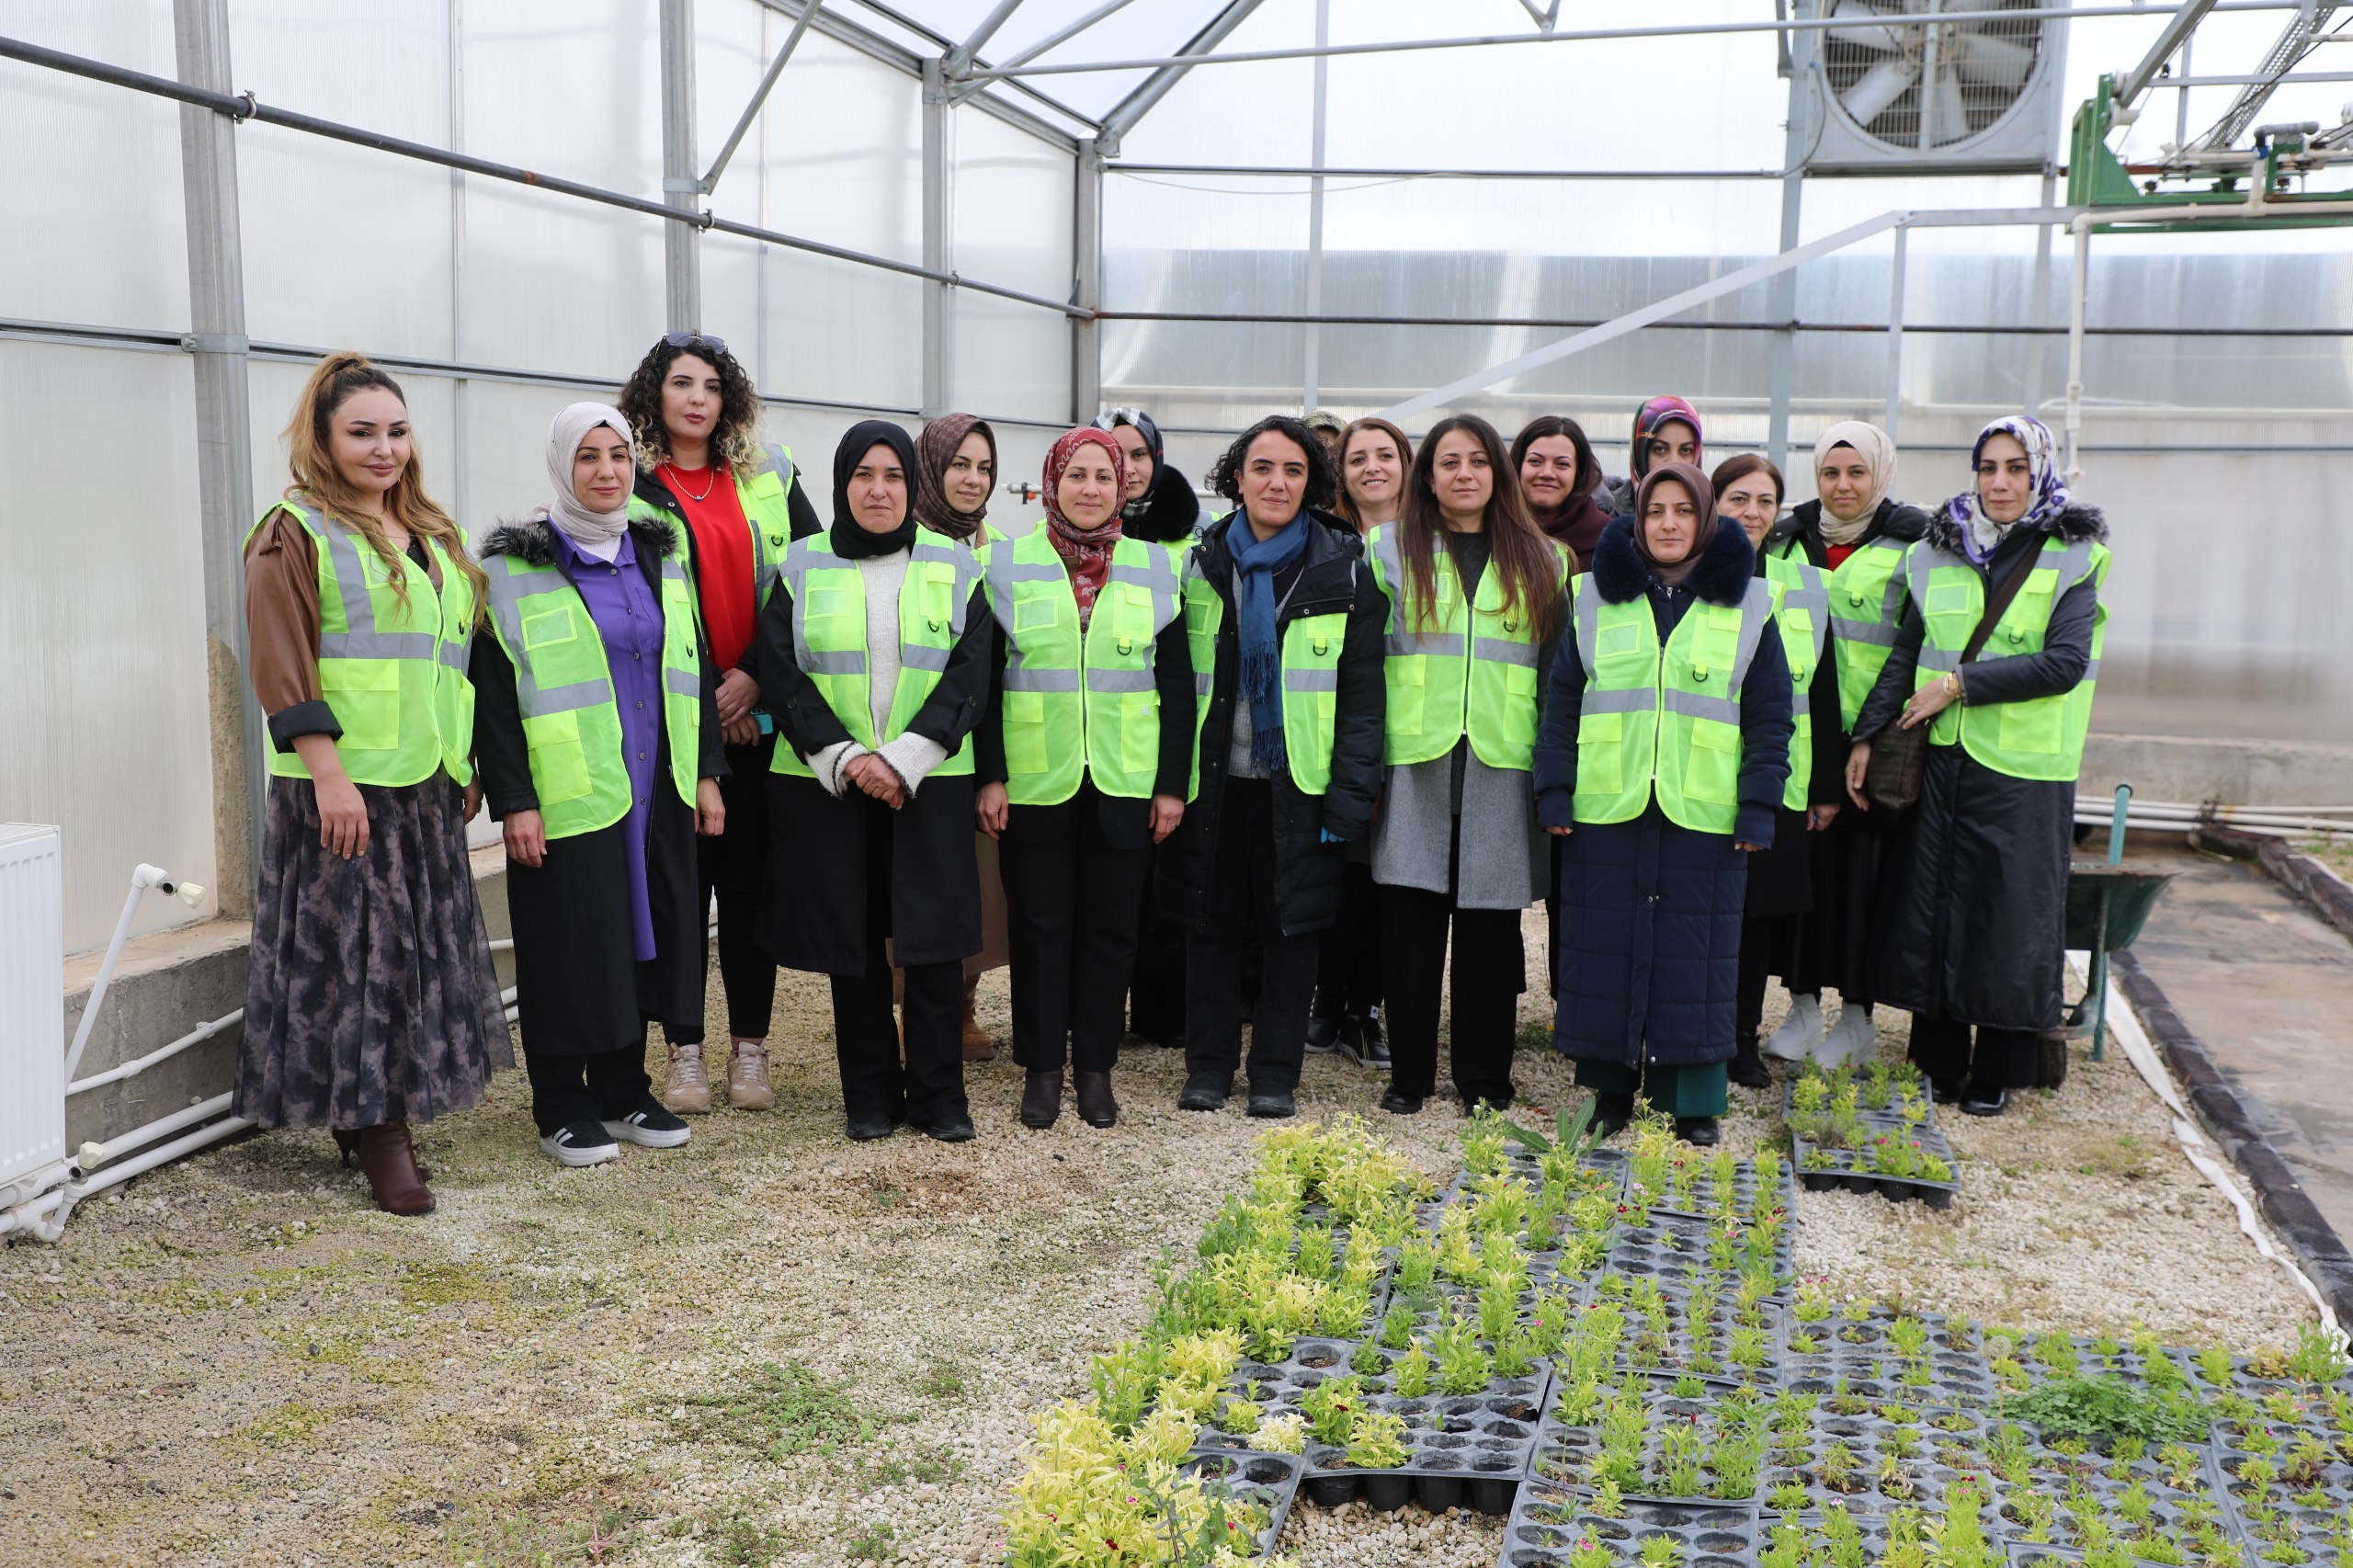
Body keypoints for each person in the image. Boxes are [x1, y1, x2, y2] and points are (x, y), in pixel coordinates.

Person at [237, 352, 511, 1215]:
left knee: (409, 957)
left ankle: (371, 1115)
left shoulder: (430, 532)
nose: (384, 449)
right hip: (345, 789)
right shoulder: (293, 531)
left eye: (396, 431)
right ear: (321, 438)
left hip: (424, 783)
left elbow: (447, 659)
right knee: (362, 962)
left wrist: (461, 762)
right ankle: (380, 1130)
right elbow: (282, 664)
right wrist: (329, 775)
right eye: (362, 433)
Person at [475, 404, 724, 1166]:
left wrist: (708, 775)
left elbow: (694, 663)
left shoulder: (658, 554)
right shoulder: (513, 568)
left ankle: (622, 1090)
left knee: (641, 946)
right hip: (570, 793)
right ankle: (560, 1103)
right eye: (589, 457)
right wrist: (515, 800)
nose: (609, 471)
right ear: (561, 467)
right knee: (568, 947)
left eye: (619, 455)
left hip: (658, 786)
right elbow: (494, 695)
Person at [1847, 416, 2109, 1117]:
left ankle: (1999, 1065)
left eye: (2016, 468)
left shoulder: (2072, 554)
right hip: (1942, 757)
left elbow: (2065, 662)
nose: (2000, 482)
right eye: (1988, 467)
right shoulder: (1935, 552)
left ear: (2040, 472)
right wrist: (1869, 736)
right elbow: (1907, 654)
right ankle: (1934, 1058)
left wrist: (1960, 686)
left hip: (2024, 767)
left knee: (2006, 912)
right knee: (1931, 903)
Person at [1535, 463, 1792, 1147]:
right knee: (1602, 951)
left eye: (1684, 511)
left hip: (1702, 812)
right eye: (1656, 512)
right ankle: (1607, 1093)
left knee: (1698, 956)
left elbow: (1770, 716)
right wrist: (1555, 788)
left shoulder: (1750, 606)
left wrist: (1759, 805)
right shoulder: (1592, 598)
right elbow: (1561, 699)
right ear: (1638, 519)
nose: (1670, 524)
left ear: (1706, 520)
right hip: (1607, 806)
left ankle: (1694, 1102)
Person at [755, 421, 992, 1142]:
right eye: (864, 476)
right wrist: (848, 758)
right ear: (842, 483)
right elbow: (780, 671)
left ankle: (939, 1097)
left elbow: (973, 672)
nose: (879, 490)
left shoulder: (957, 564)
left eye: (893, 476)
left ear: (912, 485)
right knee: (851, 946)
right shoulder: (799, 565)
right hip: (832, 786)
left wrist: (906, 758)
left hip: (931, 782)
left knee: (933, 944)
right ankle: (868, 1095)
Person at [1158, 415, 1385, 1118]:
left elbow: (1362, 699)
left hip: (1301, 786)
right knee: (1211, 927)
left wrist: (1350, 798)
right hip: (1213, 783)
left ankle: (1275, 1076)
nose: (1276, 482)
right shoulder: (1199, 563)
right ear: (1236, 478)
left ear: (1312, 483)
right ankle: (1208, 1068)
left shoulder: (1346, 568)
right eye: (1261, 468)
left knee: (1293, 933)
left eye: (1292, 470)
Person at [620, 332, 821, 1115]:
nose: (697, 398)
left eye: (711, 385)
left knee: (748, 894)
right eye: (680, 384)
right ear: (654, 396)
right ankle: (684, 1053)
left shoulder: (769, 474)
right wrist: (711, 701)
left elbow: (809, 576)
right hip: (677, 722)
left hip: (762, 712)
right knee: (680, 892)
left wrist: (754, 680)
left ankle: (749, 1051)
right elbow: (636, 608)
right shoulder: (629, 482)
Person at [975, 428, 1192, 1130]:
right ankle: (1042, 1071)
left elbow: (1178, 684)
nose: (1092, 488)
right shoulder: (1004, 566)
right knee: (1040, 928)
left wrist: (1170, 786)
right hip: (1037, 778)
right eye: (1078, 476)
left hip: (1126, 779)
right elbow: (985, 683)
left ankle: (1094, 1071)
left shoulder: (1158, 568)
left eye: (1106, 475)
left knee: (1111, 932)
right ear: (1051, 484)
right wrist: (992, 776)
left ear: (1125, 484)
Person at [1366, 415, 1571, 1116]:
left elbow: (1554, 677)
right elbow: (1366, 663)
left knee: (1490, 929)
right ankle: (1410, 1077)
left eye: (1478, 461)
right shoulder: (1387, 549)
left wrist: (1553, 776)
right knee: (1410, 923)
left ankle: (1485, 1079)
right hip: (1414, 757)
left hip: (1502, 761)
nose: (1463, 473)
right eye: (1448, 461)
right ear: (1427, 475)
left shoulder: (1546, 558)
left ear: (1498, 474)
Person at [1759, 422, 1928, 1068]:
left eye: (1856, 472)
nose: (1843, 486)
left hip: (1872, 742)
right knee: (1802, 877)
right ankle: (1802, 1008)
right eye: (1831, 473)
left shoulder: (1912, 543)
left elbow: (1909, 648)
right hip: (1799, 740)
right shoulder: (1787, 540)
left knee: (1862, 882)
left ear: (1880, 474)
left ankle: (1856, 1018)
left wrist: (1868, 735)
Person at [1715, 454, 1842, 1090]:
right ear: (1714, 505)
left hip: (1777, 781)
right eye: (1738, 498)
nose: (1753, 512)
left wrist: (1823, 788)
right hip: (1701, 777)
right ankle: (1700, 1035)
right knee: (1704, 914)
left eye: (1765, 501)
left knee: (1757, 920)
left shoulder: (1804, 583)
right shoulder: (1694, 574)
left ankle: (1741, 1041)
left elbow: (1823, 688)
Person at [1306, 416, 1416, 1065]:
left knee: (1390, 878)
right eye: (1357, 458)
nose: (1372, 467)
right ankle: (1328, 1002)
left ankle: (1366, 1008)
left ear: (1407, 464)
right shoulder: (1326, 539)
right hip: (1342, 724)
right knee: (1342, 873)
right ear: (1340, 472)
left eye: (1386, 455)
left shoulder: (1432, 541)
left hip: (1414, 728)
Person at [1094, 406, 1199, 1051]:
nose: (1125, 469)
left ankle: (1163, 1017)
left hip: (1174, 727)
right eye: (1112, 455)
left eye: (1137, 455)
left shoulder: (1194, 539)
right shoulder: (1068, 532)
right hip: (1104, 737)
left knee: (1167, 888)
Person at [912, 413, 1014, 1061]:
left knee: (981, 883)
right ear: (931, 467)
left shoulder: (1001, 548)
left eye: (983, 467)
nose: (972, 479)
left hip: (986, 738)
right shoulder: (902, 538)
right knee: (920, 882)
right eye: (959, 465)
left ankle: (965, 1004)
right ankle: (915, 1010)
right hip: (914, 741)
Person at [1511, 415, 1613, 570]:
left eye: (1562, 464)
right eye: (1535, 461)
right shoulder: (1492, 528)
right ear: (1517, 466)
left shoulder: (1609, 537)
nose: (1547, 473)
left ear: (1578, 473)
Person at [1600, 396, 1705, 517]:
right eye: (1660, 449)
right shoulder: (1602, 517)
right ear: (1640, 453)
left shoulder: (1710, 519)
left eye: (1686, 450)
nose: (1673, 462)